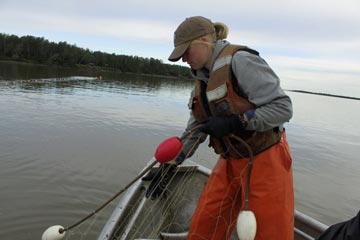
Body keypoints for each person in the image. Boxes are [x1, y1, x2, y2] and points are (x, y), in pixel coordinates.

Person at [143, 16, 294, 240]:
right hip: (229, 160)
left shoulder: (240, 61)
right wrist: (170, 167)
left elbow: (283, 108)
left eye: (186, 51)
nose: (183, 58)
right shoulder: (201, 78)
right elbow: (196, 128)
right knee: (205, 225)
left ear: (204, 39)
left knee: (270, 234)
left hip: (265, 159)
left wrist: (237, 122)